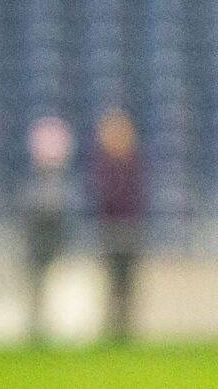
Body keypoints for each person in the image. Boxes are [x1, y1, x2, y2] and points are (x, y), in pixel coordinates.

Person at [89, 107, 145, 340]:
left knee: (128, 284)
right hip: (111, 230)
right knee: (111, 283)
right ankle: (112, 327)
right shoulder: (104, 164)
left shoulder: (133, 162)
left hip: (129, 229)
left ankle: (126, 328)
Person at [22, 116, 74, 340]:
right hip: (38, 243)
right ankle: (37, 327)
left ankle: (49, 326)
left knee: (54, 288)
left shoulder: (60, 189)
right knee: (36, 287)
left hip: (52, 241)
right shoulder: (36, 188)